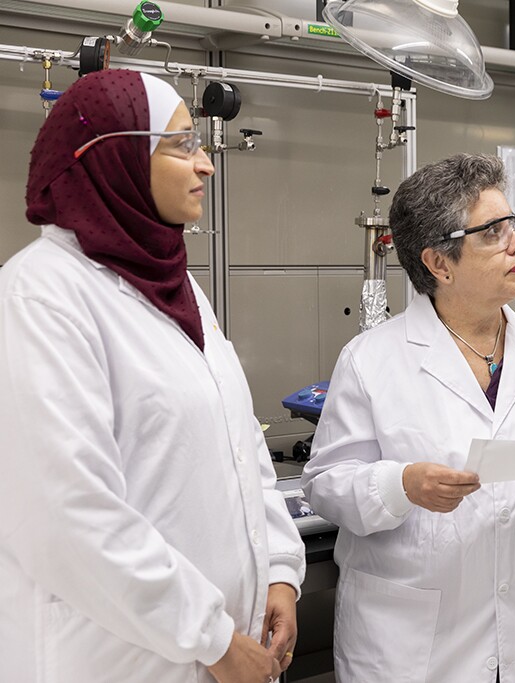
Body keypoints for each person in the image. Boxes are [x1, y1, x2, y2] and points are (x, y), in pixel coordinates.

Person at [0, 69, 305, 683]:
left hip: (225, 644)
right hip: (119, 659)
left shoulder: (179, 285)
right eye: (183, 145)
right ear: (113, 155)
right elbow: (68, 514)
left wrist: (279, 570)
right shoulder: (41, 295)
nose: (207, 166)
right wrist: (213, 638)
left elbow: (239, 443)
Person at [302, 153, 515, 682]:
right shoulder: (371, 360)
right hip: (415, 648)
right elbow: (326, 486)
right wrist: (401, 485)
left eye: (514, 224)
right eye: (493, 233)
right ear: (439, 264)